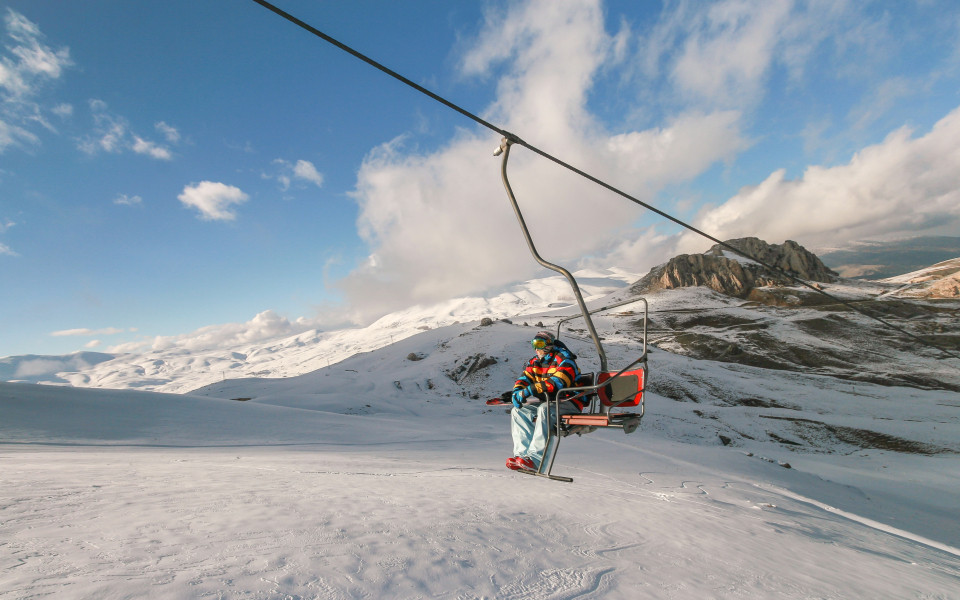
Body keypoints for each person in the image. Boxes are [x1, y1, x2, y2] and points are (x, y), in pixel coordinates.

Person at [506, 330, 585, 472]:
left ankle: (536, 461)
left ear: (549, 345)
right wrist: (518, 390)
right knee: (519, 411)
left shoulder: (565, 360)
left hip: (570, 401)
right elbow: (525, 378)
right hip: (551, 402)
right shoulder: (535, 362)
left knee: (544, 409)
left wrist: (530, 390)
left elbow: (558, 382)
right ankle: (522, 456)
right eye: (534, 344)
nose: (537, 348)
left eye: (540, 344)